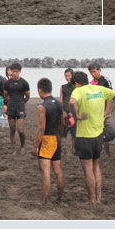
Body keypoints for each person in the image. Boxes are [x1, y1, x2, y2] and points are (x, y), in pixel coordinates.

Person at [69, 71, 115, 203]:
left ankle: (92, 198)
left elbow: (71, 102)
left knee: (87, 169)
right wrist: (108, 112)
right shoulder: (99, 89)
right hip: (98, 135)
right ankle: (99, 197)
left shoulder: (79, 91)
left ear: (76, 84)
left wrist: (77, 116)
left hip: (84, 136)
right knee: (96, 166)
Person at [32, 77, 65, 205]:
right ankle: (59, 198)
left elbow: (41, 128)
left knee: (45, 171)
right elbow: (62, 123)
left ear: (40, 91)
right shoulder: (59, 104)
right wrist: (60, 136)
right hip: (56, 137)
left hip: (47, 139)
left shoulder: (42, 106)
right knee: (57, 170)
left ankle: (44, 200)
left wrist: (35, 146)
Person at [3, 63, 30, 155]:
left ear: (20, 72)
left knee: (21, 129)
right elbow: (5, 95)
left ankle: (22, 146)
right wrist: (9, 103)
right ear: (11, 72)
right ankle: (14, 149)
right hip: (11, 107)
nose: (14, 73)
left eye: (16, 72)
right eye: (13, 72)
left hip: (20, 106)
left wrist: (21, 102)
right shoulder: (7, 83)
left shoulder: (24, 83)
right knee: (12, 128)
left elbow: (27, 96)